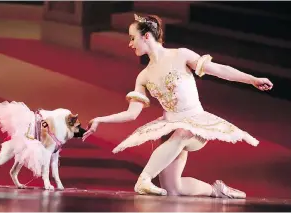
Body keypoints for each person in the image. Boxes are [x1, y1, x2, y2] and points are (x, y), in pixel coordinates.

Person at [82, 14, 273, 198]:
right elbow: (132, 114)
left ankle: (144, 179)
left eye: (133, 38)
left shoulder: (181, 55)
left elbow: (219, 70)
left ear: (146, 36)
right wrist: (100, 119)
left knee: (182, 132)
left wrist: (252, 79)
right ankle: (216, 190)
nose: (130, 43)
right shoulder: (144, 76)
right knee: (173, 188)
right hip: (170, 126)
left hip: (195, 125)